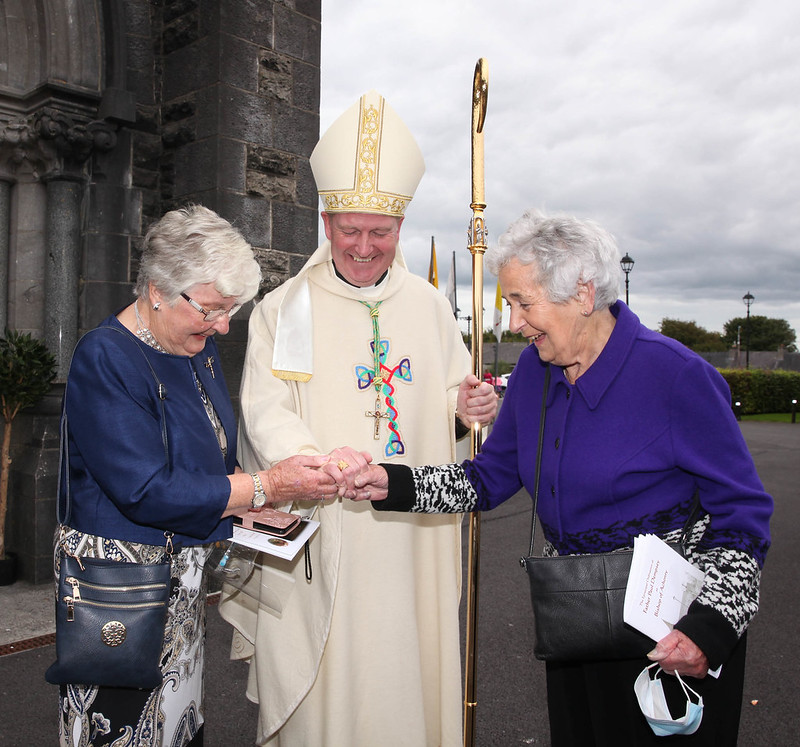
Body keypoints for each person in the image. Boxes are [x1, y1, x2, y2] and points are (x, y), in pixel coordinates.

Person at [354, 209, 773, 745]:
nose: (513, 322)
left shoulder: (678, 376)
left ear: (582, 293)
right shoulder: (534, 369)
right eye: (509, 303)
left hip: (673, 634)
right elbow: (489, 477)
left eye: (523, 303)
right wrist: (392, 483)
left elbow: (743, 515)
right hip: (575, 621)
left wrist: (710, 627)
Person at [218, 90, 497, 746]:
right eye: (351, 231)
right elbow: (264, 410)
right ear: (326, 221)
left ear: (400, 227)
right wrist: (320, 462)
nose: (366, 247)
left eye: (381, 232)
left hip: (411, 542)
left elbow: (452, 407)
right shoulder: (285, 309)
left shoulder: (430, 308)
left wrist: (467, 411)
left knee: (405, 673)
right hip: (323, 531)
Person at [53, 205, 342, 747]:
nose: (223, 327)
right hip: (120, 589)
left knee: (178, 724)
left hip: (181, 583)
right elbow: (145, 490)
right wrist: (266, 485)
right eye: (212, 309)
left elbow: (209, 454)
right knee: (122, 729)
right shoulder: (105, 356)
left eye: (231, 310)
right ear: (158, 289)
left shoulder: (193, 348)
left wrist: (250, 499)